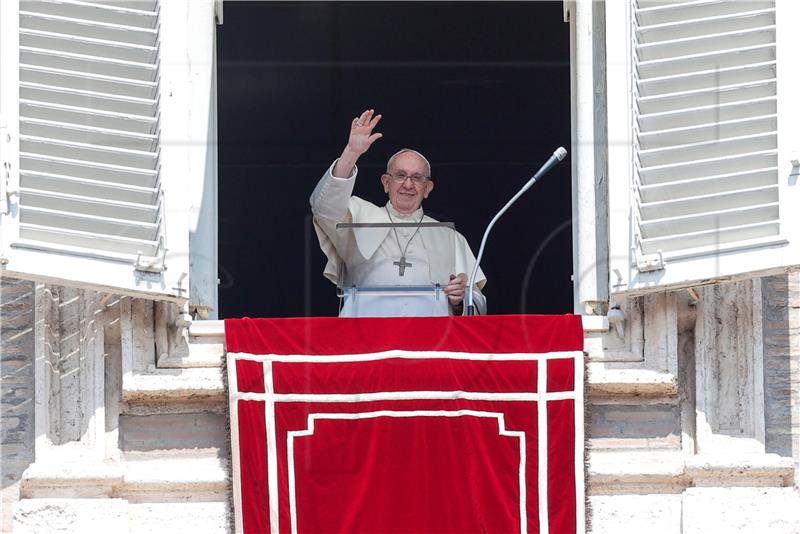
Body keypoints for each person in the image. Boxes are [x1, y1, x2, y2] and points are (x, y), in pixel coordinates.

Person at [310, 109, 487, 317]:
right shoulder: (359, 217)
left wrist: (460, 298)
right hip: (367, 339)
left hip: (429, 343)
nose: (408, 184)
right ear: (386, 182)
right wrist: (351, 153)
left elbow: (478, 304)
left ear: (428, 188)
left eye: (417, 178)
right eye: (400, 175)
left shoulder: (449, 237)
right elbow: (324, 208)